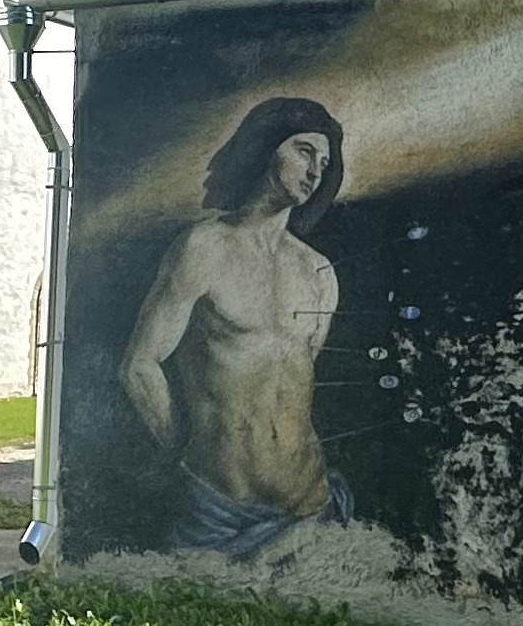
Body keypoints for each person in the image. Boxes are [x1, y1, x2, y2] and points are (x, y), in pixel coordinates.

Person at [124, 96, 352, 557]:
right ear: (267, 148)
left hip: (312, 505)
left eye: (324, 162)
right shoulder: (205, 247)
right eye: (305, 151)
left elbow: (292, 385)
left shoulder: (318, 272)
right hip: (218, 511)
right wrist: (185, 451)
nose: (316, 171)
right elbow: (138, 365)